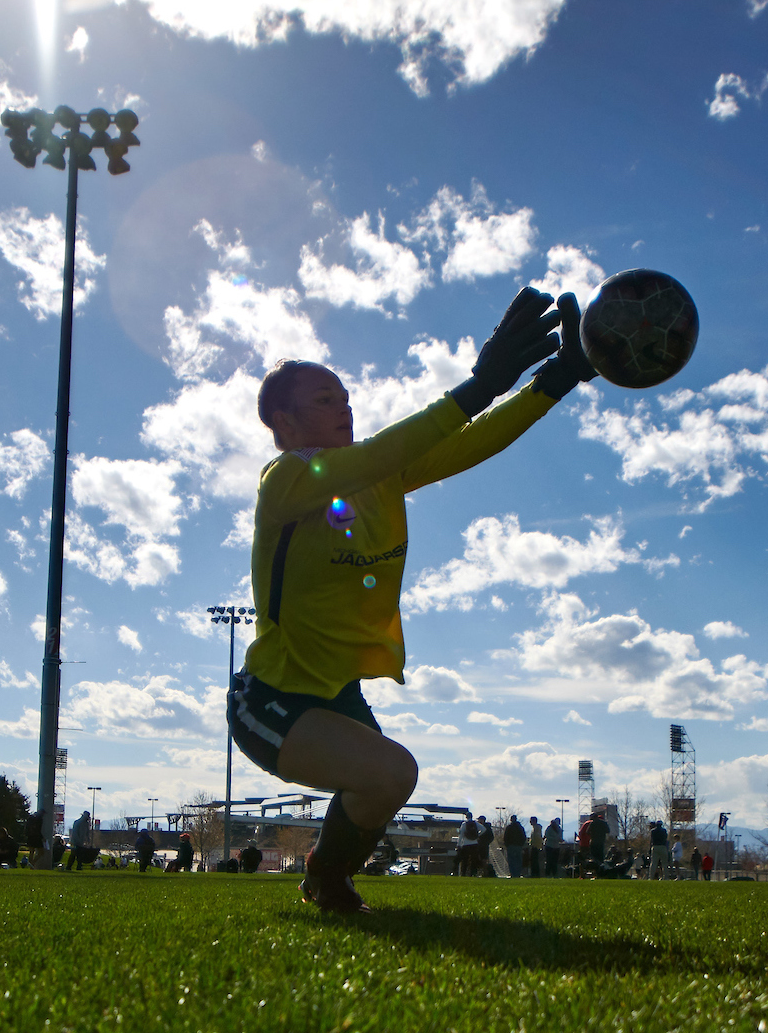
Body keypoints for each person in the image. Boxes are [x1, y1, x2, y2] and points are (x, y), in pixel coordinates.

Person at [227, 288, 589, 914]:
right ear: (282, 423)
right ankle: (329, 881)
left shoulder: (376, 476)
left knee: (392, 779)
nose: (342, 407)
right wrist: (479, 385)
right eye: (323, 400)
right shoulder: (285, 480)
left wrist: (553, 382)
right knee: (389, 771)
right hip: (274, 698)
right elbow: (390, 448)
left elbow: (471, 443)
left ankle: (323, 875)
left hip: (336, 694)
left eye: (345, 397)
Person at [502, 814, 528, 879]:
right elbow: (524, 837)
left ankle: (512, 873)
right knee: (518, 860)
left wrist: (507, 844)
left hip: (510, 846)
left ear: (511, 820)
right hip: (518, 846)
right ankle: (518, 873)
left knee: (511, 860)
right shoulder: (520, 827)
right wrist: (521, 844)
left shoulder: (509, 827)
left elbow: (505, 837)